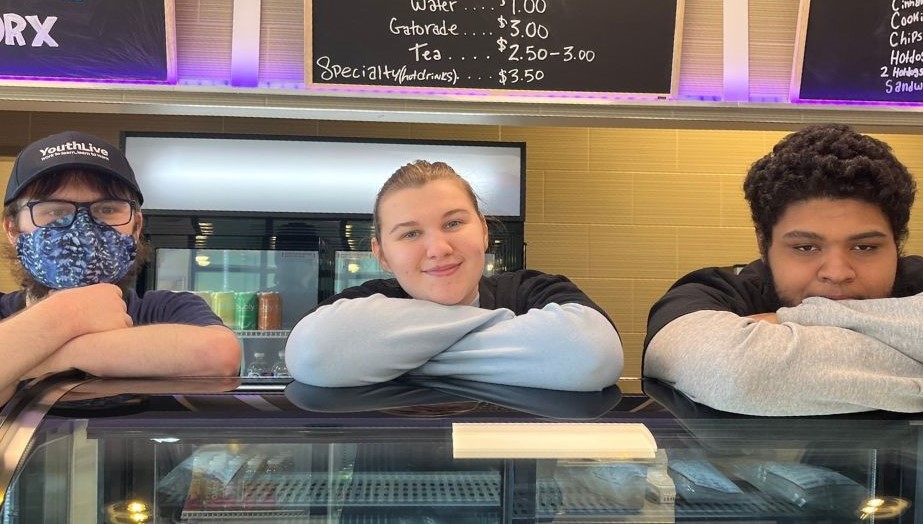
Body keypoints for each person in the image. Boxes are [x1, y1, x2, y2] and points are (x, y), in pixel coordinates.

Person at [644, 123, 923, 416]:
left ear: (898, 242)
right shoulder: (713, 293)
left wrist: (791, 320)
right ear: (764, 242)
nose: (838, 272)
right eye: (806, 247)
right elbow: (733, 374)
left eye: (864, 247)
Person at [285, 160, 623, 391]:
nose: (438, 248)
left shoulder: (529, 290)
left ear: (484, 232)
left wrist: (397, 356)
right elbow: (311, 353)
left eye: (453, 223)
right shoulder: (366, 300)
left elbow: (593, 352)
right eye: (410, 234)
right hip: (384, 492)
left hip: (510, 492)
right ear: (382, 254)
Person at [0, 131, 242, 404]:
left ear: (136, 226)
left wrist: (29, 359)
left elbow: (219, 356)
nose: (84, 230)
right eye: (54, 210)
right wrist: (68, 314)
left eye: (106, 210)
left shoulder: (166, 310)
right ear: (13, 229)